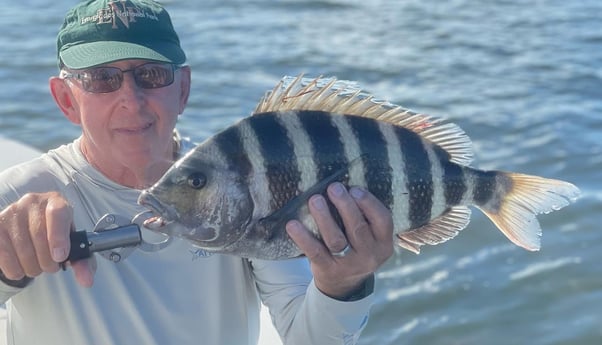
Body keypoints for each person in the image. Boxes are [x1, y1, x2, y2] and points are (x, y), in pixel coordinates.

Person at [0, 1, 394, 344]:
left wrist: (341, 284)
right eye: (102, 79)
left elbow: (312, 339)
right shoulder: (15, 198)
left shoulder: (244, 182)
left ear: (183, 88)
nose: (130, 99)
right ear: (67, 99)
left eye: (151, 75)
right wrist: (8, 266)